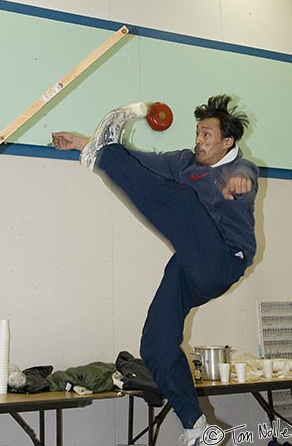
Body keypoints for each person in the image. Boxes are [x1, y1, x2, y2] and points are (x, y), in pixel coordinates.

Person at [52, 95, 258, 445]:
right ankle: (196, 426)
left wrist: (239, 181)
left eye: (207, 135)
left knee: (182, 201)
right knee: (155, 344)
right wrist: (85, 145)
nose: (199, 141)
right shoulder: (182, 162)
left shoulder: (241, 169)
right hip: (190, 264)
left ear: (228, 142)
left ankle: (102, 154)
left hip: (225, 259)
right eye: (197, 133)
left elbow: (244, 176)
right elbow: (139, 164)